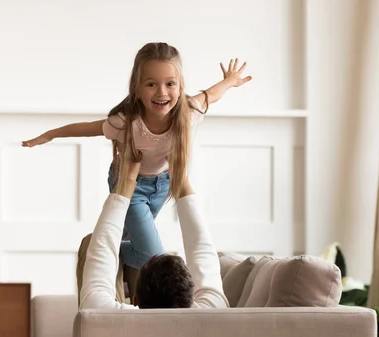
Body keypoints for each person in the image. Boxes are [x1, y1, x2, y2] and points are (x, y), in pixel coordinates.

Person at [22, 42, 252, 269]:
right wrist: (50, 134)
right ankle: (95, 248)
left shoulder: (189, 111)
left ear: (180, 86)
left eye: (170, 84)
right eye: (151, 84)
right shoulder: (126, 123)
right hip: (130, 186)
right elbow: (86, 128)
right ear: (138, 90)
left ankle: (110, 254)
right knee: (151, 256)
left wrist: (230, 81)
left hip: (162, 185)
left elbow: (213, 94)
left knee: (130, 235)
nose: (162, 92)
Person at [79, 158, 228, 310]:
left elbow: (200, 246)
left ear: (135, 300)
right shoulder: (213, 312)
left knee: (92, 243)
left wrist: (128, 181)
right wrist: (179, 177)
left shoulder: (100, 314)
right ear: (191, 297)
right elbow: (202, 248)